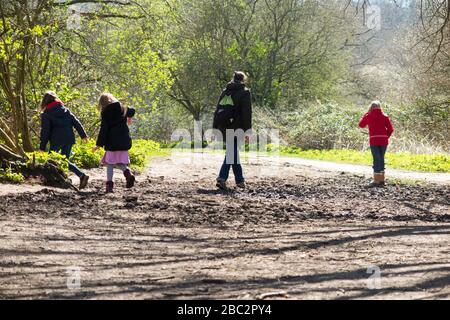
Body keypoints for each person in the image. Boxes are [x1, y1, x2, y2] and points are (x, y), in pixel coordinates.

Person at [39, 91, 89, 189]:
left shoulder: (46, 114)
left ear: (45, 102)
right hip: (69, 138)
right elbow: (76, 122)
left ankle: (56, 180)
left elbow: (45, 132)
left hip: (57, 140)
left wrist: (42, 147)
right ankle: (81, 175)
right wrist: (83, 135)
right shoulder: (65, 110)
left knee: (51, 161)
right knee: (64, 161)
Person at [213, 71, 252, 190]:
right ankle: (222, 178)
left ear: (233, 79)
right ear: (243, 80)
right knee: (231, 152)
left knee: (232, 152)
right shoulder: (245, 92)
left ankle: (240, 180)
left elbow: (217, 110)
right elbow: (247, 113)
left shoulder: (225, 91)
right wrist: (248, 131)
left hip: (223, 125)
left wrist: (215, 128)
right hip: (236, 127)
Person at [93, 93, 136, 193]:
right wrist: (129, 117)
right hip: (124, 140)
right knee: (119, 162)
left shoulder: (105, 113)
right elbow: (132, 111)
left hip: (112, 143)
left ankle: (109, 186)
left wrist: (98, 144)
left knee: (110, 164)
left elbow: (104, 130)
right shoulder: (122, 108)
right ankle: (128, 174)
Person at [359, 101, 394, 187]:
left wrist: (365, 115)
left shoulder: (368, 116)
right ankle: (381, 180)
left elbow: (361, 125)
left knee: (376, 159)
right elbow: (391, 129)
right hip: (383, 140)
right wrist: (386, 136)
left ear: (371, 107)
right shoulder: (385, 116)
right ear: (380, 107)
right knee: (381, 158)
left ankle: (376, 180)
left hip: (374, 140)